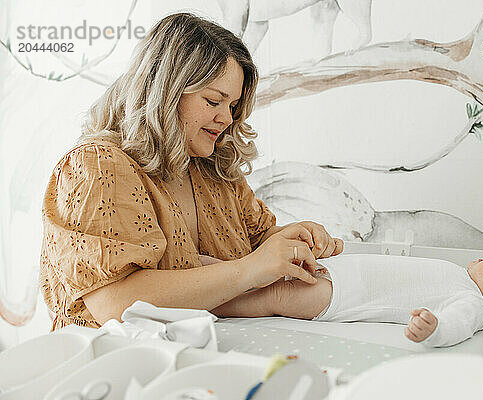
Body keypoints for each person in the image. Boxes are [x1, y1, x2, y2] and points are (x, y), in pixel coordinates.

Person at [39, 13, 343, 330]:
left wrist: (291, 238)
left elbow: (256, 240)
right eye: (214, 101)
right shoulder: (97, 165)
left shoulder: (213, 168)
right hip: (114, 365)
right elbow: (114, 304)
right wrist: (252, 270)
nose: (226, 118)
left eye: (232, 106)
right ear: (165, 91)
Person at [213, 251, 483, 347]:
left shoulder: (474, 305)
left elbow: (456, 326)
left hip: (338, 297)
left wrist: (433, 329)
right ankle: (207, 279)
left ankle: (211, 303)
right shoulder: (464, 278)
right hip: (339, 272)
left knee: (274, 294)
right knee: (256, 274)